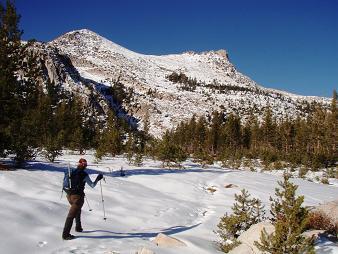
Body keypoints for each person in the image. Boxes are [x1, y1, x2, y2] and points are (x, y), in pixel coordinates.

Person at [62, 158, 103, 240]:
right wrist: (97, 179)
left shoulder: (70, 171)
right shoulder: (84, 175)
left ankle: (78, 227)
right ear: (85, 166)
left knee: (77, 210)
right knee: (71, 215)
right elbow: (92, 185)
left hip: (69, 196)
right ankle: (65, 235)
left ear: (78, 164)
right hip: (78, 197)